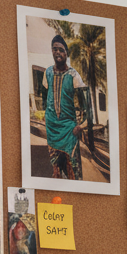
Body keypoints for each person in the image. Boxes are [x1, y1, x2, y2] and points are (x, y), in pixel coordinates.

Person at [40, 34, 85, 181]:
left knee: (74, 169)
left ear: (66, 53)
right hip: (52, 128)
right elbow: (45, 98)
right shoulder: (48, 73)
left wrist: (80, 125)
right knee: (56, 169)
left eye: (60, 49)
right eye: (54, 49)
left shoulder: (73, 75)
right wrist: (48, 118)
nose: (57, 52)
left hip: (69, 128)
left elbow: (85, 105)